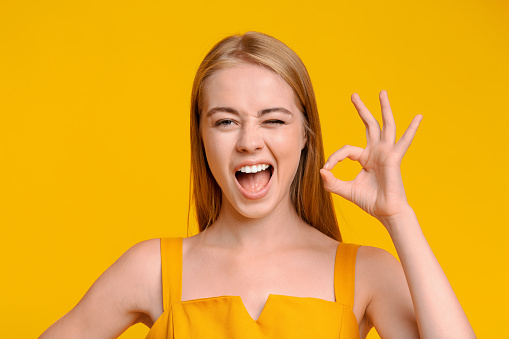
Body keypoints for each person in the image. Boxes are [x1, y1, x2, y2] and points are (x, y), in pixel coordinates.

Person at [39, 32, 475, 338]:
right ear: (202, 137)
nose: (249, 142)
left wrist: (399, 218)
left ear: (305, 135)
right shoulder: (151, 269)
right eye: (226, 121)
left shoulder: (366, 273)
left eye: (274, 120)